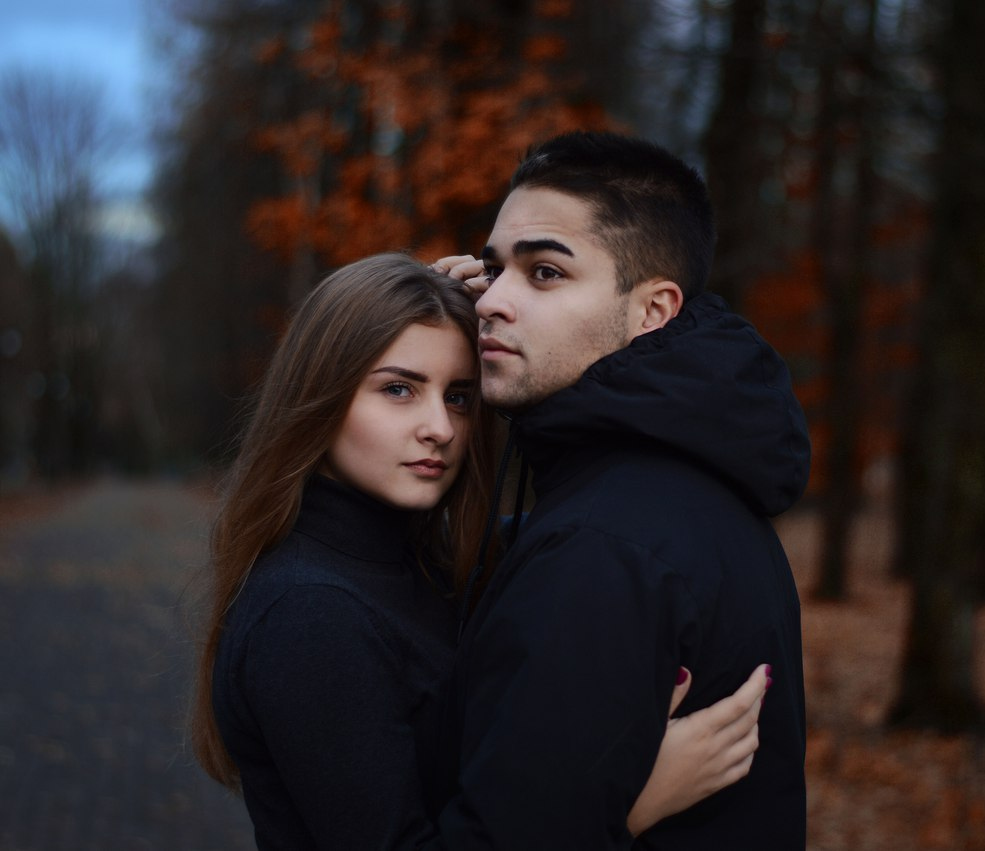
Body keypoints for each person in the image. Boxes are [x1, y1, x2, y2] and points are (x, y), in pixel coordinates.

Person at [188, 253, 769, 850]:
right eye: (398, 389)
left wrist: (498, 301)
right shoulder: (310, 616)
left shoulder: (430, 563)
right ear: (320, 396)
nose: (440, 427)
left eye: (460, 397)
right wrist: (630, 804)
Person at [430, 131, 810, 849]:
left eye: (544, 273)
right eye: (492, 269)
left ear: (653, 312)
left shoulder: (601, 549)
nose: (490, 302)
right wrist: (417, 328)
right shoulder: (687, 483)